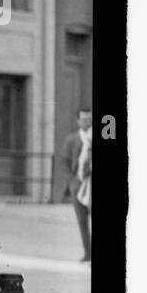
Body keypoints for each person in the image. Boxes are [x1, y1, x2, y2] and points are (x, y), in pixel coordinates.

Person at [61, 108, 92, 262]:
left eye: (90, 119)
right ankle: (88, 253)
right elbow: (65, 161)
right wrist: (71, 181)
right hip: (78, 185)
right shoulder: (71, 140)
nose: (87, 121)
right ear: (78, 121)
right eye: (84, 119)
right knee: (82, 221)